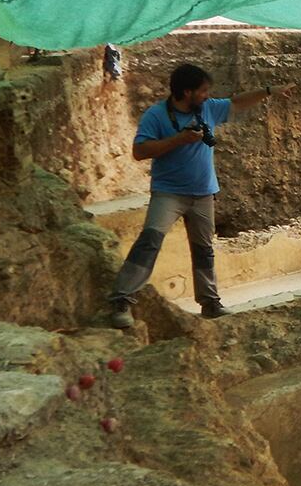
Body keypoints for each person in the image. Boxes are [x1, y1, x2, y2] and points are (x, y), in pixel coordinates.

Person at [108, 63, 289, 328]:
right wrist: (177, 140)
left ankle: (210, 303)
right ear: (186, 91)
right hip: (169, 193)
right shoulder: (156, 116)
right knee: (149, 241)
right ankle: (121, 300)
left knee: (204, 250)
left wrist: (270, 90)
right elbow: (140, 151)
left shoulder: (207, 109)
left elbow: (237, 102)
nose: (207, 95)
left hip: (204, 193)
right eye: (203, 91)